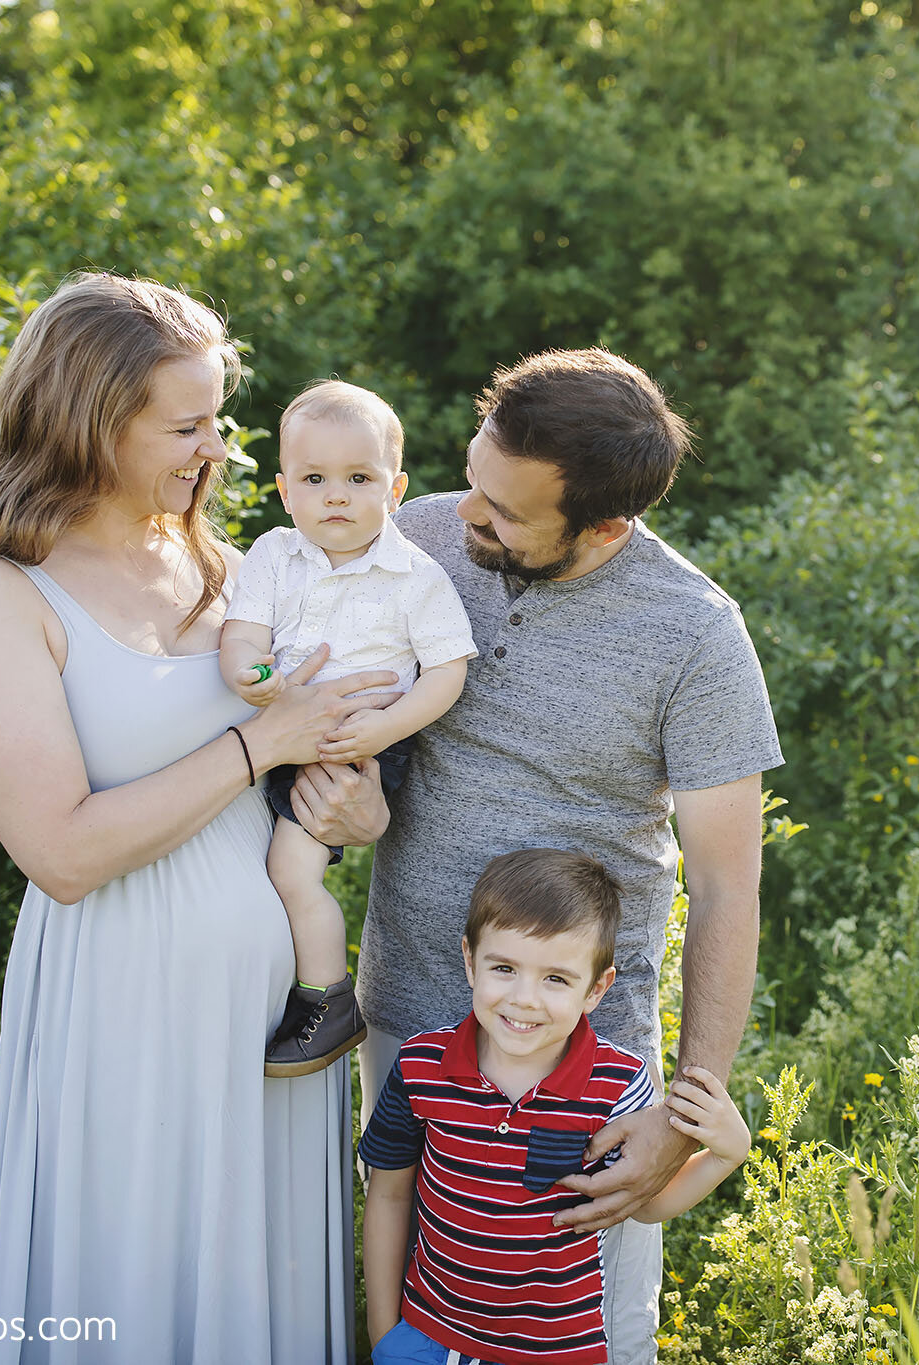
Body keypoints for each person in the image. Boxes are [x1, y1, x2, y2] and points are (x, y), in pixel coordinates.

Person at [0, 272, 388, 1364]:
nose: (215, 449)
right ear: (89, 424)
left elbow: (300, 766)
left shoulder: (230, 570)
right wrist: (259, 744)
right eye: (186, 425)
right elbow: (63, 853)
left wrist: (344, 800)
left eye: (217, 418)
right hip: (125, 1013)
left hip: (273, 1029)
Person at [355, 348, 784, 1360]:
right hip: (402, 1033)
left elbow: (728, 887)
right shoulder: (414, 540)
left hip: (578, 1072)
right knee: (391, 1326)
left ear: (602, 524)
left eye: (504, 517)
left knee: (572, 1340)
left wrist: (681, 1116)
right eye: (474, 481)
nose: (466, 519)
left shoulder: (694, 636)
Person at [359, 850, 749, 1365]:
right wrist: (385, 1333)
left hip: (554, 1352)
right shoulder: (421, 1066)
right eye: (504, 968)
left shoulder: (616, 1084)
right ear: (470, 961)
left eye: (556, 979)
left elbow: (645, 1202)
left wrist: (726, 1155)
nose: (524, 999)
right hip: (427, 1338)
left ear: (596, 988)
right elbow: (388, 1196)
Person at [220, 380, 476, 1078]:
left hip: (352, 747)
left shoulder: (414, 575)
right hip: (278, 726)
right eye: (315, 478)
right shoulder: (275, 555)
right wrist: (251, 673)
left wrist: (382, 728)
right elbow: (243, 632)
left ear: (394, 489)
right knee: (248, 863)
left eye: (358, 478)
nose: (336, 495)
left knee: (290, 868)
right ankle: (276, 984)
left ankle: (328, 999)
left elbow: (447, 671)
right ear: (283, 490)